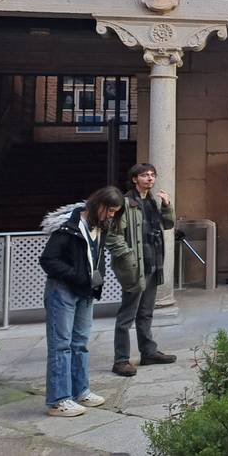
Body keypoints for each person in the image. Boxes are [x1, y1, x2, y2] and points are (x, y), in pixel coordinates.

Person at [40, 186, 123, 417]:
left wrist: (96, 281)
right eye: (110, 211)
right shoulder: (67, 226)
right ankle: (58, 400)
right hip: (63, 291)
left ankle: (80, 390)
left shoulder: (100, 226)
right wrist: (76, 275)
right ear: (99, 205)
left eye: (115, 212)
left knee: (80, 344)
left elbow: (96, 258)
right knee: (61, 345)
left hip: (85, 292)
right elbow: (48, 260)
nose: (111, 216)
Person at [107, 163, 177, 377]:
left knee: (146, 312)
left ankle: (148, 352)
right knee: (127, 315)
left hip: (153, 263)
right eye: (145, 175)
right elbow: (113, 235)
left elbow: (168, 225)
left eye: (152, 175)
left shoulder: (152, 201)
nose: (150, 179)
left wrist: (167, 205)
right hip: (136, 266)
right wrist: (128, 258)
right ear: (134, 178)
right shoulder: (126, 202)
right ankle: (121, 360)